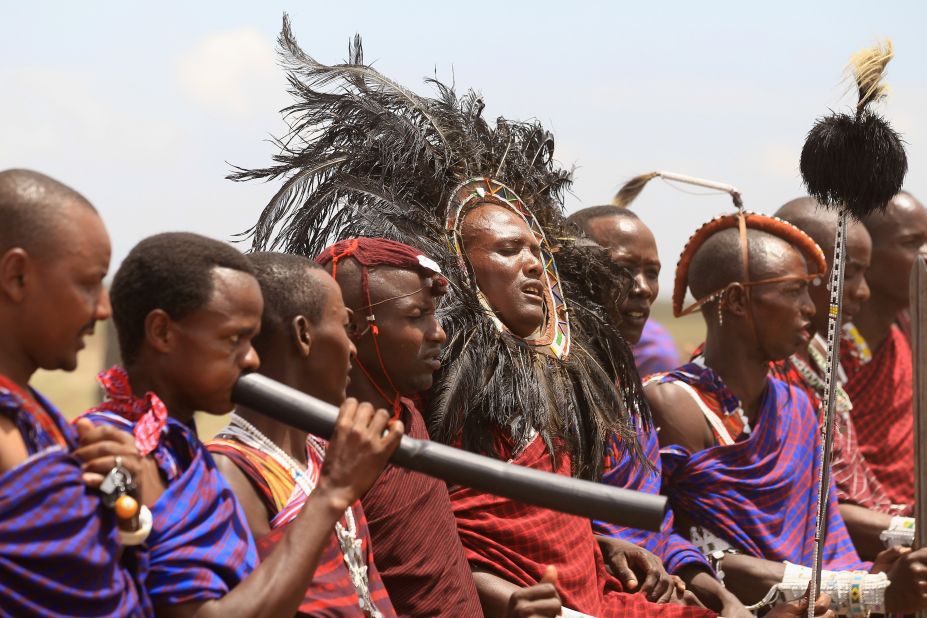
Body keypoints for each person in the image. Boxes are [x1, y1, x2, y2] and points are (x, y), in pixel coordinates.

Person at [79, 231, 402, 618]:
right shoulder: (113, 449)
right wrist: (332, 492)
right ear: (162, 333)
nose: (251, 360)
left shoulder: (179, 452)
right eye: (233, 339)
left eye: (251, 340)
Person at [646, 211, 927, 613]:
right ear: (737, 300)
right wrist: (868, 591)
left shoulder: (795, 404)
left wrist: (871, 577)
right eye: (794, 290)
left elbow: (827, 539)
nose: (810, 307)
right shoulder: (676, 405)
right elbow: (697, 556)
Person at [569, 204, 748, 616]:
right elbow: (545, 528)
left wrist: (720, 596)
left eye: (652, 272)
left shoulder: (630, 394)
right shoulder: (550, 391)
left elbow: (658, 529)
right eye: (623, 269)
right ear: (570, 273)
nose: (644, 288)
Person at [207, 251, 395, 616]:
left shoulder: (327, 454)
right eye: (344, 326)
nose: (353, 348)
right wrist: (334, 491)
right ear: (303, 335)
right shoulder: (231, 474)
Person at [0, 168, 150, 616]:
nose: (103, 309)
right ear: (17, 276)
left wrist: (125, 493)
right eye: (88, 283)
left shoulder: (37, 414)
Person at [315, 237, 487, 618]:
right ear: (354, 325)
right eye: (416, 316)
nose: (437, 332)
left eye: (434, 314)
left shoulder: (406, 412)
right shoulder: (335, 447)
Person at [773, 197, 910, 560]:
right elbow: (800, 511)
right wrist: (910, 531)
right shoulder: (766, 379)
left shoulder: (820, 360)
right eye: (848, 273)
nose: (862, 290)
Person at [842, 191, 927, 509]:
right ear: (864, 253)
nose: (925, 253)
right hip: (861, 535)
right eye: (912, 243)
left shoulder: (906, 333)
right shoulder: (821, 356)